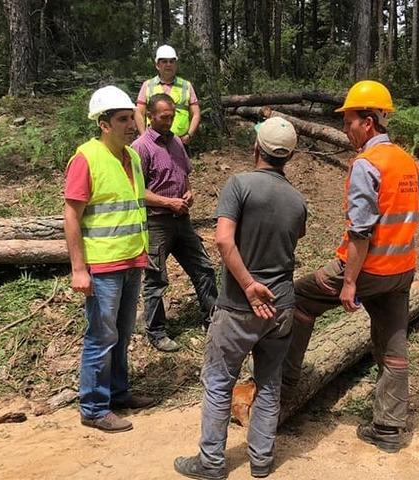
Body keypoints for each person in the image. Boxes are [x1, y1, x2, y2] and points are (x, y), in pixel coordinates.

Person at [282, 80, 419, 453]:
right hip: (401, 272)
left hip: (368, 271)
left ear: (368, 122)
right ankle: (389, 429)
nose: (346, 129)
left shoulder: (367, 164)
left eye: (348, 122)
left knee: (300, 297)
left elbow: (360, 232)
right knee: (394, 348)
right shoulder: (403, 158)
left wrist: (349, 283)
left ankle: (284, 387)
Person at [174, 117, 308, 480]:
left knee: (219, 381)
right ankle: (262, 461)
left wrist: (248, 284)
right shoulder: (297, 200)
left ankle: (212, 463)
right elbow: (292, 241)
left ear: (256, 149)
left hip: (239, 304)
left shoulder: (239, 185)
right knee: (269, 382)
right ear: (290, 156)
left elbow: (223, 240)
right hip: (280, 306)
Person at [63, 85, 156, 433]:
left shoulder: (131, 157)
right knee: (101, 337)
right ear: (104, 124)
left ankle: (118, 392)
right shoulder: (86, 158)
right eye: (123, 119)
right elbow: (72, 215)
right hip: (102, 267)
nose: (132, 124)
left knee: (122, 332)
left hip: (132, 260)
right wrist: (78, 269)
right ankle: (93, 406)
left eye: (132, 117)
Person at [131, 93, 218, 352]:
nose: (169, 121)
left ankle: (213, 320)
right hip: (156, 223)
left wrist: (188, 192)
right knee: (156, 279)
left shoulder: (177, 143)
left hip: (182, 219)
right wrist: (168, 203)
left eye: (172, 116)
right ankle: (156, 331)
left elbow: (184, 174)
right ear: (150, 116)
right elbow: (137, 192)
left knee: (203, 268)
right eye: (164, 117)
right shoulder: (140, 148)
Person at [134, 44, 201, 146]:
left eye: (171, 61)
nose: (168, 64)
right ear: (157, 65)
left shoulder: (186, 85)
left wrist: (189, 135)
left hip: (180, 142)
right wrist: (144, 137)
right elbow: (139, 112)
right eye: (164, 61)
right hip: (154, 142)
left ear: (176, 64)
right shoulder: (148, 85)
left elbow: (196, 113)